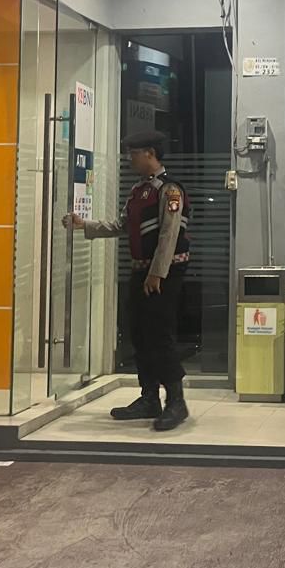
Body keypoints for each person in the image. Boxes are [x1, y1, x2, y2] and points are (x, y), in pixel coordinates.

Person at [63, 130, 190, 431]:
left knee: (159, 335)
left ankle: (176, 401)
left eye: (133, 153)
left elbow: (169, 235)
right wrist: (85, 225)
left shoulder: (169, 190)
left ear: (150, 153)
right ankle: (149, 397)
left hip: (164, 273)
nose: (129, 159)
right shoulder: (139, 191)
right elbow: (122, 225)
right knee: (140, 335)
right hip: (140, 271)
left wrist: (157, 273)